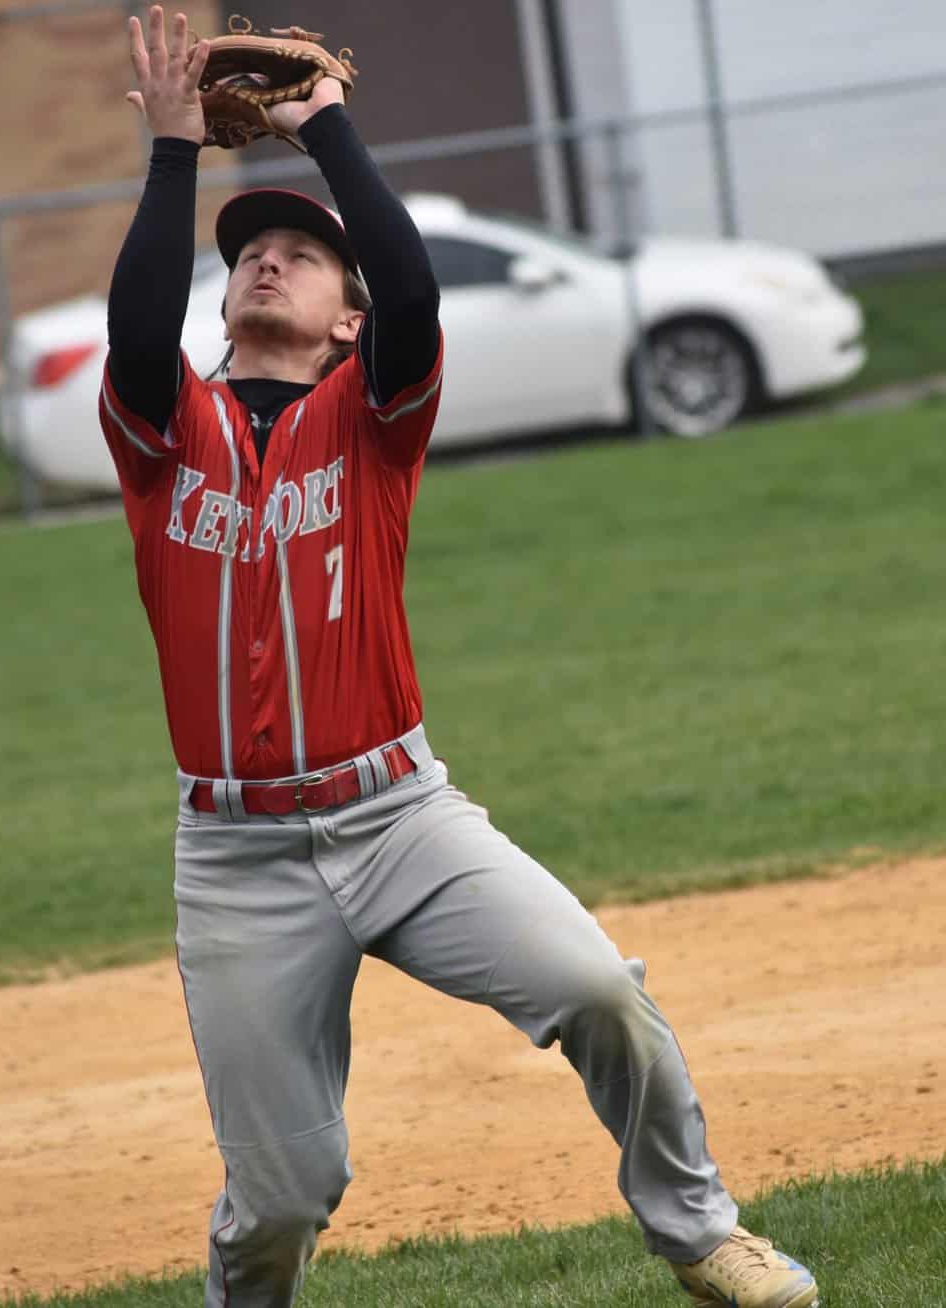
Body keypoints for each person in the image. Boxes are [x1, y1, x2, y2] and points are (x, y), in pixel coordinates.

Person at [99, 9, 821, 1308]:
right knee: (282, 1197)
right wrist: (168, 154)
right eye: (251, 253)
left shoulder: (369, 421)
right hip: (239, 860)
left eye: (302, 258)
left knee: (600, 989)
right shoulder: (170, 436)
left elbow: (415, 290)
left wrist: (324, 125)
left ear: (343, 326)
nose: (268, 262)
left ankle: (701, 1234)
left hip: (401, 818)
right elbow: (139, 335)